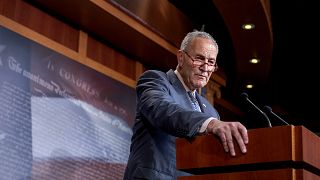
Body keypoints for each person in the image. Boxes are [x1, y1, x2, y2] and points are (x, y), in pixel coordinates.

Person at [123, 31, 249, 179]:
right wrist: (209, 124)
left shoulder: (211, 112)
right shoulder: (156, 81)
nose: (206, 68)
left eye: (211, 62)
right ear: (181, 58)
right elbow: (163, 110)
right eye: (199, 59)